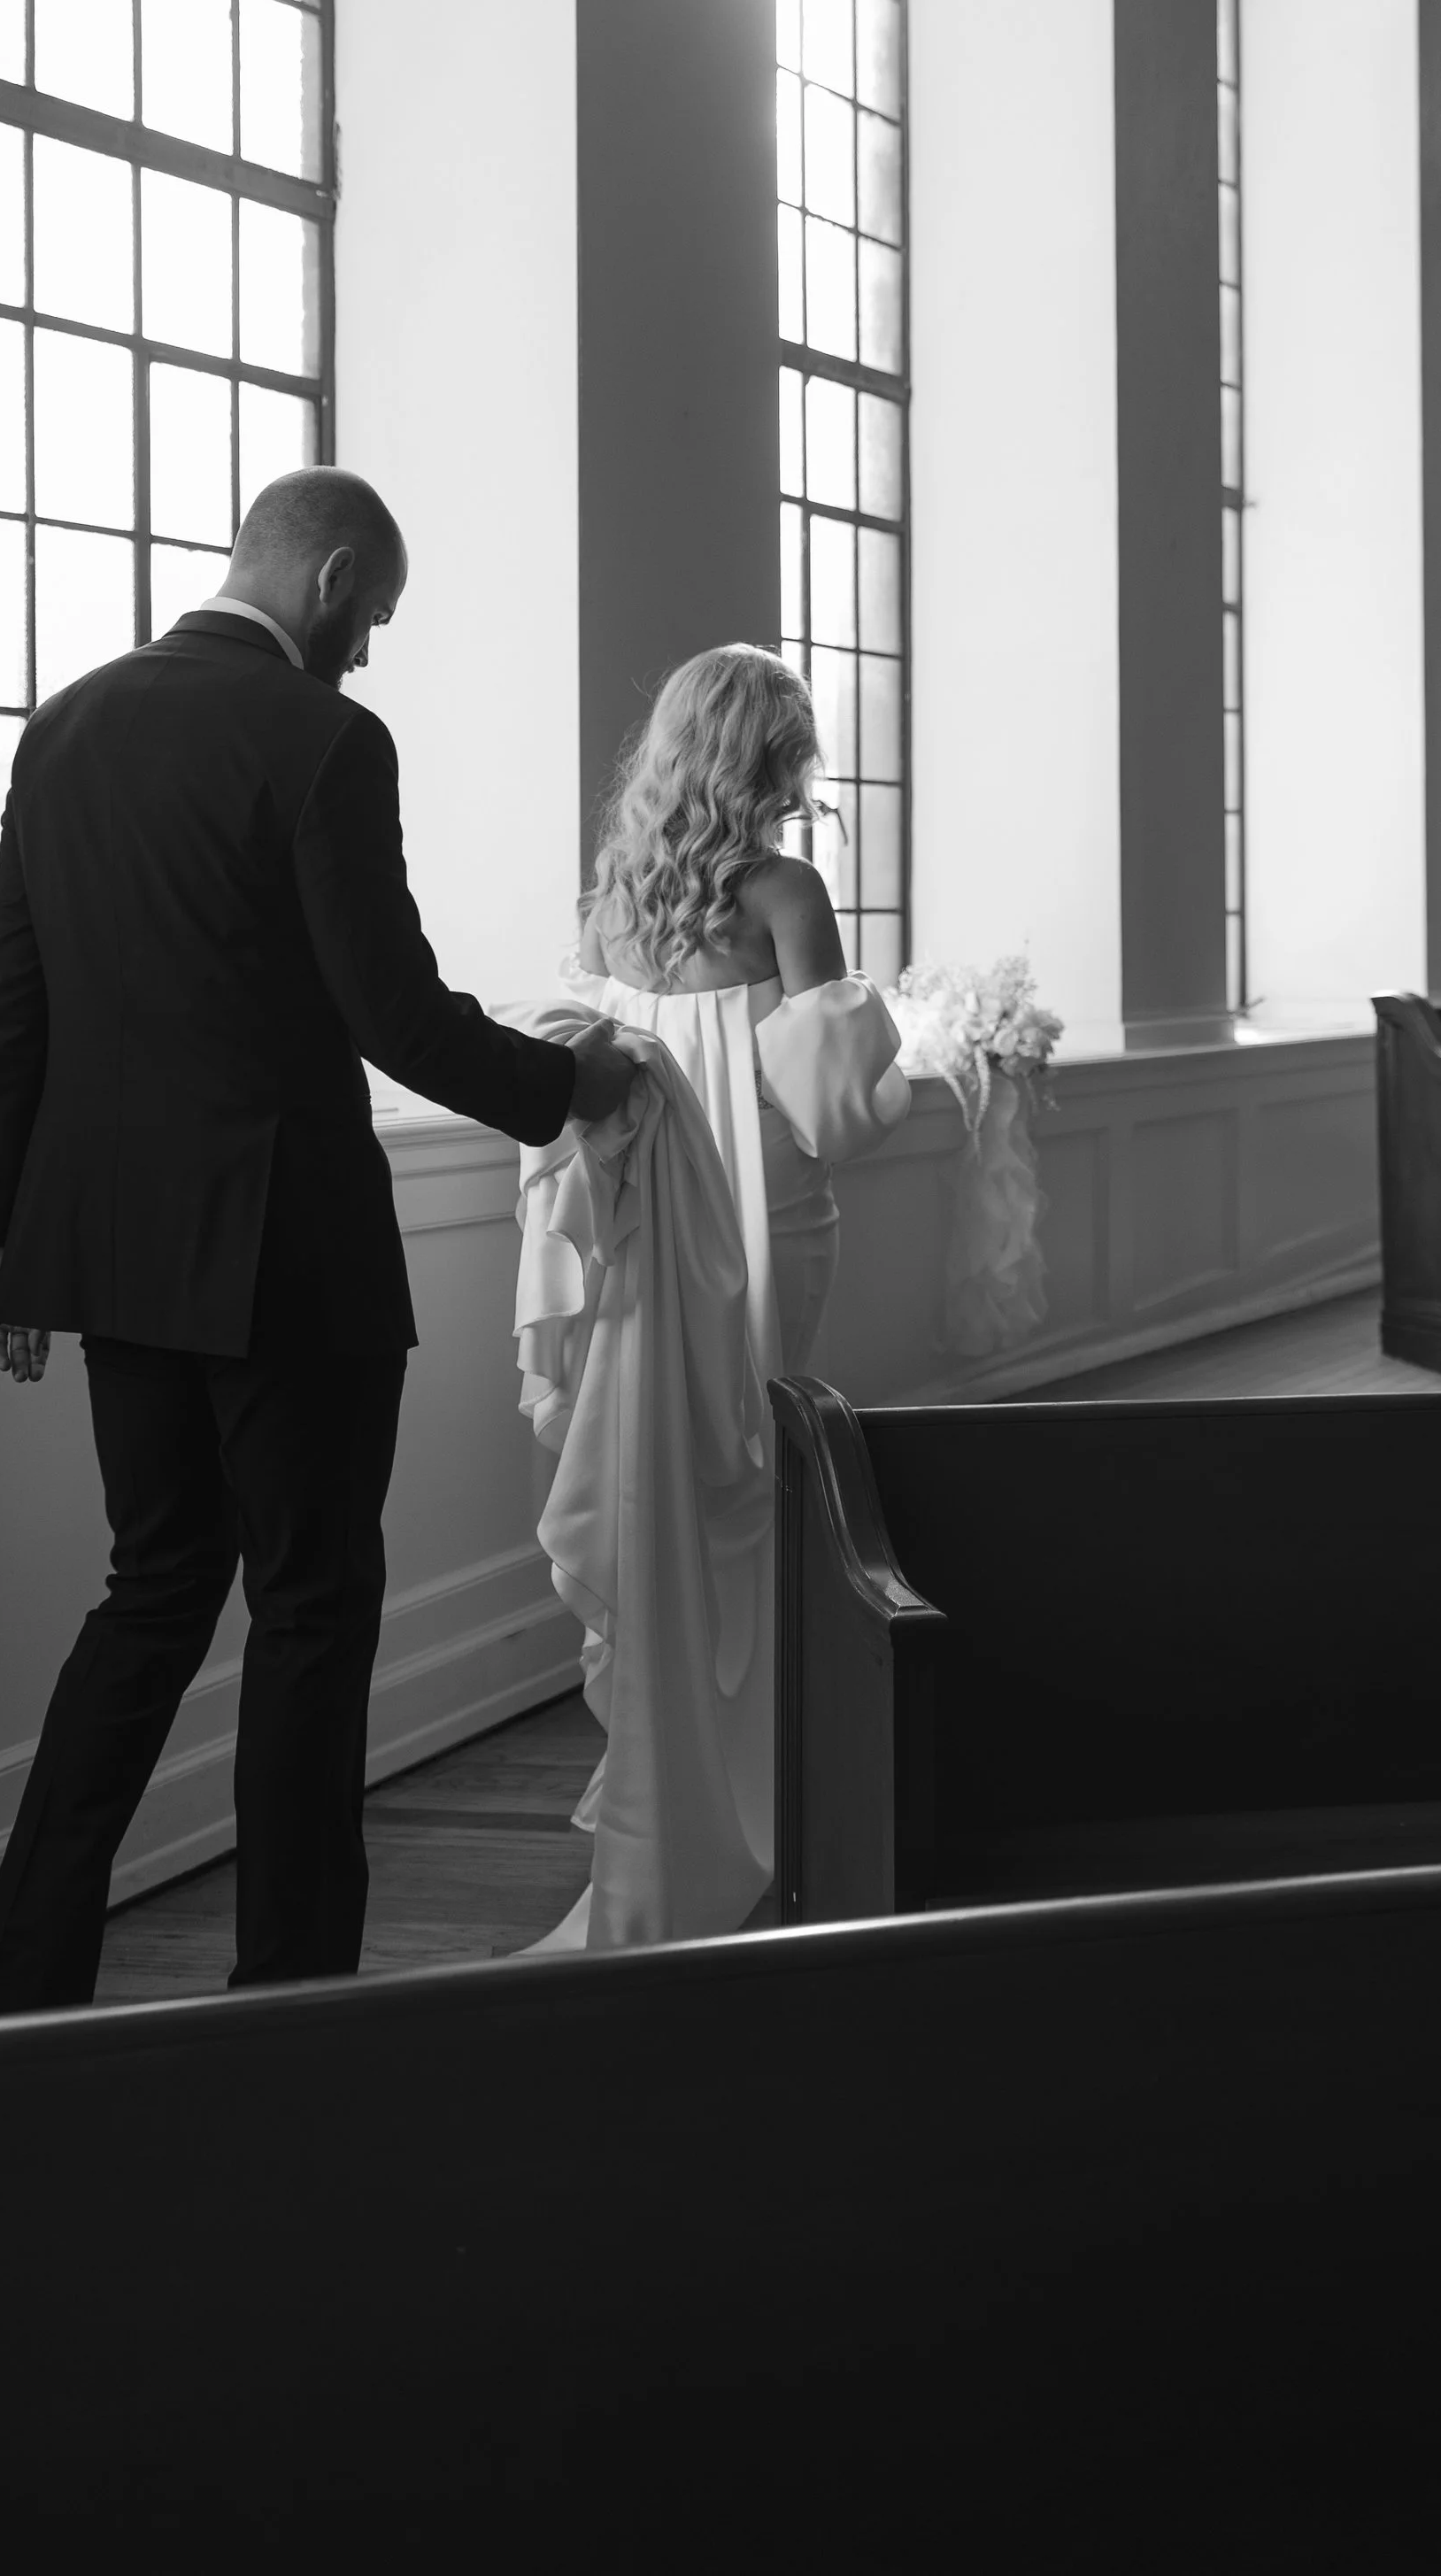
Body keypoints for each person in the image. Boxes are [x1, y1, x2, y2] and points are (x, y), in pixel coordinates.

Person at [0, 467, 636, 2009]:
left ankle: (18, 1980)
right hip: (287, 1258)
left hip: (112, 1251)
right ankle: (292, 1998)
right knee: (313, 1606)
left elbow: (16, 1002)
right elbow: (386, 1007)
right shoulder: (326, 739)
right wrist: (567, 1083)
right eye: (374, 616)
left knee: (153, 1588)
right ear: (328, 576)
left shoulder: (60, 726)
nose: (370, 651)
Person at [515, 644, 908, 1948]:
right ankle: (760, 1788)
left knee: (663, 1479)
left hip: (649, 1231)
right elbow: (834, 1109)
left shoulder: (616, 900)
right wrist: (906, 1062)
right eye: (797, 748)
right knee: (758, 1479)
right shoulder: (786, 890)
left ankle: (674, 1778)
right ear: (766, 756)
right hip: (769, 1215)